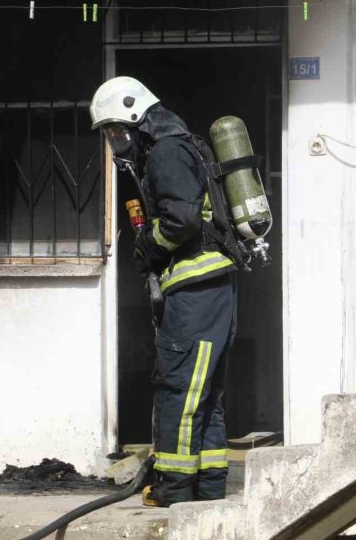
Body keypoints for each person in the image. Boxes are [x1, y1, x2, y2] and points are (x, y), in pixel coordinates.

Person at [90, 77, 238, 507]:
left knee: (177, 391)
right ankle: (209, 490)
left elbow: (182, 220)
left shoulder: (166, 153)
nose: (116, 143)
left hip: (195, 294)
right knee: (204, 396)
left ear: (138, 117)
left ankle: (172, 490)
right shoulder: (181, 145)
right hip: (214, 291)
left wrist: (147, 247)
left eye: (117, 132)